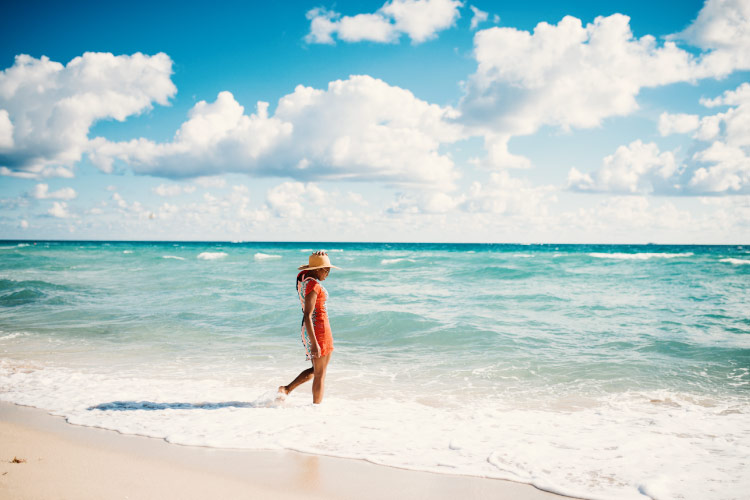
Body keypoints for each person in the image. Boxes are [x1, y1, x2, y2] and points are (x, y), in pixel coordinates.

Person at [278, 250, 339, 404]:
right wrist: (315, 343)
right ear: (318, 270)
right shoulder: (312, 284)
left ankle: (286, 389)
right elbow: (308, 314)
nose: (328, 273)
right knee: (320, 374)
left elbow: (304, 272)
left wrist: (318, 258)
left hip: (314, 328)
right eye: (326, 269)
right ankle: (316, 409)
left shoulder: (303, 278)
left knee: (317, 370)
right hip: (318, 329)